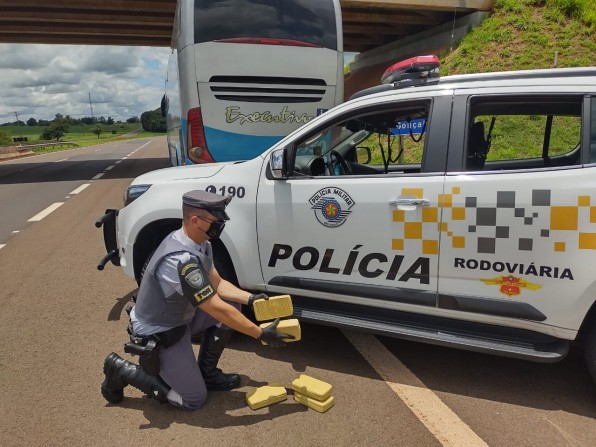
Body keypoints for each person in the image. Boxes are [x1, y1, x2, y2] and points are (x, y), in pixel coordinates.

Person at [101, 190, 292, 410]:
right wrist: (260, 334)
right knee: (194, 399)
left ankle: (207, 374)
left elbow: (218, 284)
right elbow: (215, 307)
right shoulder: (180, 260)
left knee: (233, 304)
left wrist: (251, 298)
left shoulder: (200, 243)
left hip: (179, 321)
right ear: (195, 220)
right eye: (216, 220)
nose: (220, 224)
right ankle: (122, 370)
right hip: (160, 332)